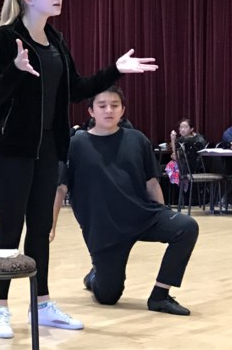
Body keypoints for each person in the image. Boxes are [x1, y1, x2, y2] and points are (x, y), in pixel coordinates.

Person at [0, 0, 157, 339]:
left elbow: (77, 89)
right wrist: (15, 70)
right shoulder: (5, 37)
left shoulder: (56, 40)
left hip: (49, 146)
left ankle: (41, 303)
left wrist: (114, 70)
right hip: (12, 146)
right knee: (11, 226)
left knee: (41, 226)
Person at [67, 86, 197, 316]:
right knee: (108, 297)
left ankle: (160, 295)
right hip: (106, 230)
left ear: (122, 110)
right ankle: (96, 275)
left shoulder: (137, 139)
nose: (109, 110)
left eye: (115, 105)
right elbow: (61, 187)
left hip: (143, 216)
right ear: (90, 111)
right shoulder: (77, 144)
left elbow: (152, 183)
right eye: (102, 105)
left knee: (186, 227)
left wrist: (163, 212)